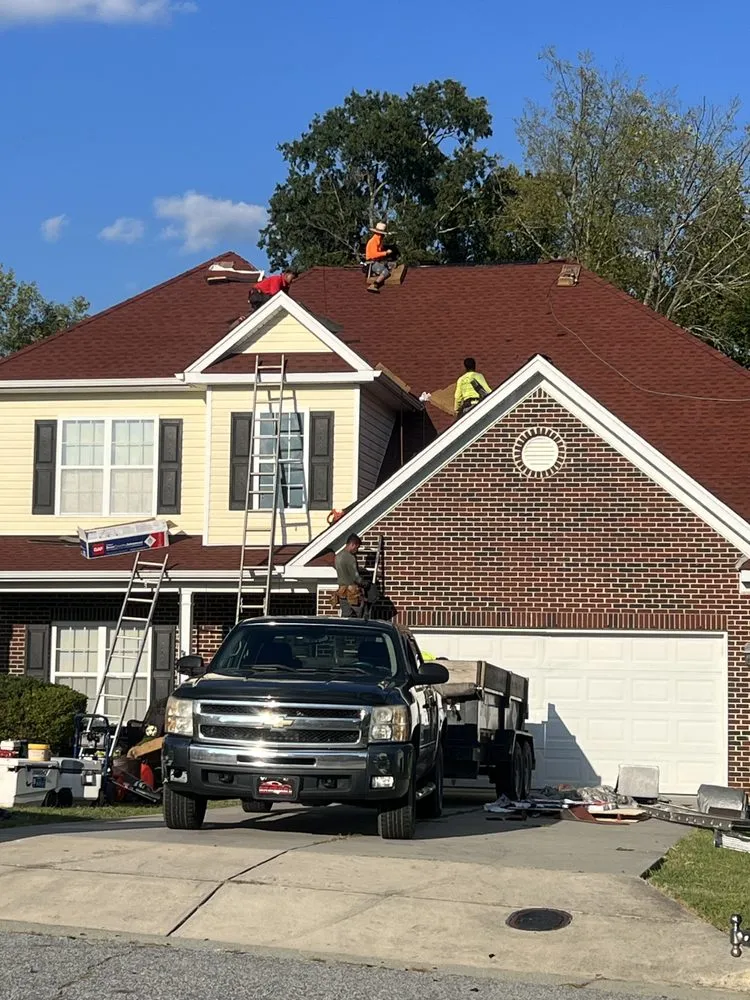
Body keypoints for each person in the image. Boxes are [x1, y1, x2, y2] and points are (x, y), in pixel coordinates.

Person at [334, 533, 365, 617]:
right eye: (357, 547)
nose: (357, 550)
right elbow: (356, 577)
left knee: (346, 616)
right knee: (359, 615)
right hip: (352, 592)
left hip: (342, 591)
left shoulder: (338, 556)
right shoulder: (350, 558)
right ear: (352, 544)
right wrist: (365, 583)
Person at [365, 222, 393, 293]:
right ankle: (374, 285)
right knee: (386, 272)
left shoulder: (378, 241)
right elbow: (373, 254)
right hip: (372, 263)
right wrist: (385, 253)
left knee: (390, 264)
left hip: (375, 262)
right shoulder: (373, 241)